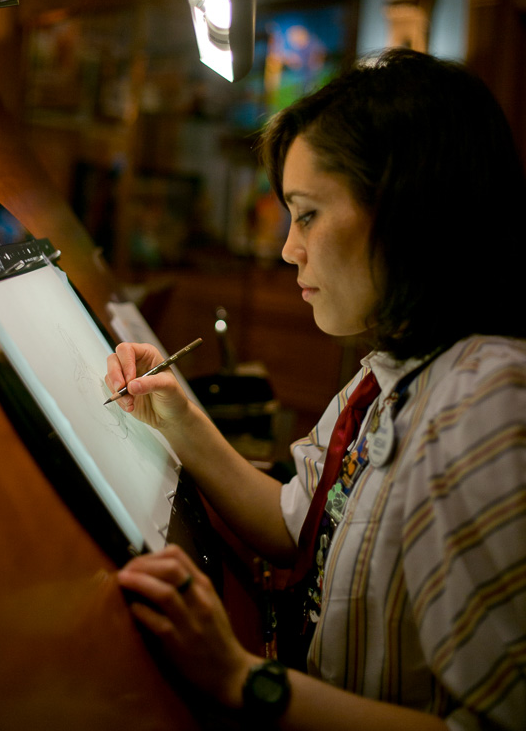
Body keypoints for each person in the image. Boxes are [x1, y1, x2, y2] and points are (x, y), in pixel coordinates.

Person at [109, 48, 526, 730]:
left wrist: (242, 680)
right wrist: (178, 416)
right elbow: (294, 523)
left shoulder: (487, 402)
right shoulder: (391, 370)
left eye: (305, 214)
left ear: (404, 210)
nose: (286, 248)